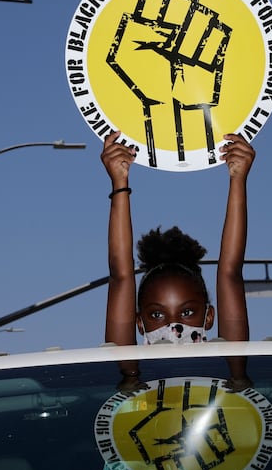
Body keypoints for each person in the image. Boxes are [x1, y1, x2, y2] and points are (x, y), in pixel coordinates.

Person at [100, 129, 255, 390]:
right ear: (138, 323)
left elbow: (230, 274)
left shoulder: (231, 369)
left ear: (209, 317)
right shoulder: (129, 372)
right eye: (157, 314)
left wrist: (238, 179)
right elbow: (120, 276)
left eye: (187, 312)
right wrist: (119, 182)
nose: (174, 327)